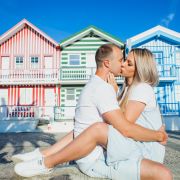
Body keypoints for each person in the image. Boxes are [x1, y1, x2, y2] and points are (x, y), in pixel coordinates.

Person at [13, 44, 172, 179]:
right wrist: (115, 93)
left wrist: (159, 135)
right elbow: (118, 121)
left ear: (140, 70)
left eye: (128, 63)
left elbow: (125, 127)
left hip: (146, 148)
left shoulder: (141, 88)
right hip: (133, 143)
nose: (122, 64)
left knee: (97, 127)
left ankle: (47, 162)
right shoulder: (126, 89)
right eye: (123, 60)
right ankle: (44, 154)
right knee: (86, 128)